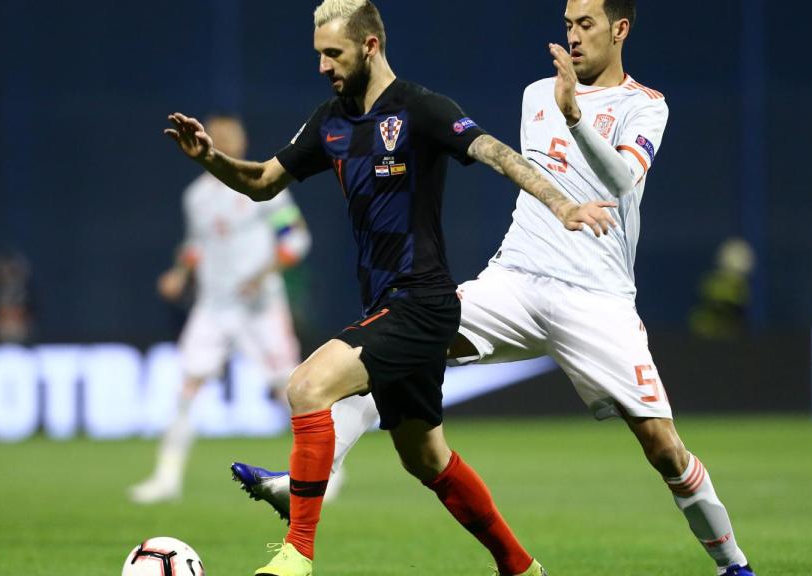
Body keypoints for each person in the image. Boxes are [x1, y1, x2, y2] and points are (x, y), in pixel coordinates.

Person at [231, 1, 757, 575]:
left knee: (663, 448)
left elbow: (622, 182)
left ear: (620, 29)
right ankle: (307, 485)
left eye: (586, 25)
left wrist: (576, 118)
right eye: (567, 25)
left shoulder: (644, 105)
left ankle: (732, 563)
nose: (573, 37)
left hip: (596, 299)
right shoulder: (538, 94)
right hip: (514, 284)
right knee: (391, 349)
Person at [164, 1, 614, 573]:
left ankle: (296, 555)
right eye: (319, 55)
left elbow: (497, 154)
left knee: (306, 388)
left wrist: (563, 203)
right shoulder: (329, 120)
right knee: (425, 457)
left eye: (335, 54)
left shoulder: (421, 110)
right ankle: (521, 567)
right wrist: (211, 159)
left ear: (370, 45)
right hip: (386, 304)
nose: (324, 66)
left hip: (421, 301)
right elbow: (262, 182)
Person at [130, 114, 312, 505]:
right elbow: (197, 245)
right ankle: (167, 477)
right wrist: (180, 272)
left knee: (291, 390)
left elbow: (295, 239)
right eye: (221, 135)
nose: (229, 141)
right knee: (187, 386)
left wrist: (263, 273)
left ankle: (322, 472)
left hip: (261, 307)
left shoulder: (265, 184)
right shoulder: (196, 197)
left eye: (234, 135)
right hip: (214, 306)